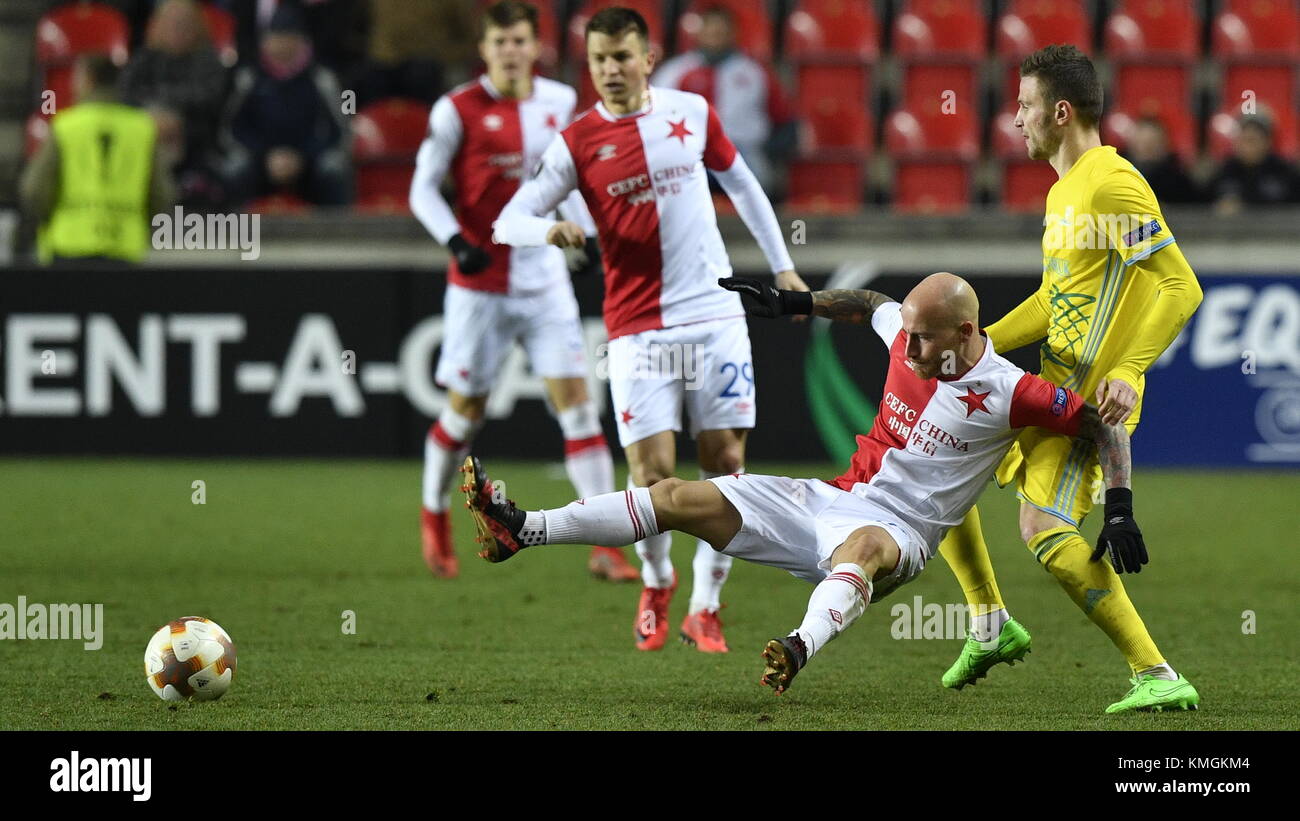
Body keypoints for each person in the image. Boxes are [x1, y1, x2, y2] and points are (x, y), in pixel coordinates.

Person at [460, 273, 1168, 699]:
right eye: (907, 337)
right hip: (829, 500)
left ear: (964, 332)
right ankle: (525, 528)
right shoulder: (906, 331)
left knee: (864, 543)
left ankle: (797, 645)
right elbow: (870, 302)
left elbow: (1103, 427)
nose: (907, 348)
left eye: (922, 341)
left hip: (903, 533)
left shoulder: (1013, 392)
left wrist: (1121, 504)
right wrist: (794, 303)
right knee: (679, 496)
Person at [493, 6, 808, 654]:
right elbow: (506, 220)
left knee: (725, 464)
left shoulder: (689, 112)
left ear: (649, 57)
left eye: (621, 57)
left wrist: (785, 267)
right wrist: (546, 227)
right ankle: (658, 579)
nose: (610, 70)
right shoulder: (577, 142)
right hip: (637, 328)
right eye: (599, 59)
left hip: (716, 314)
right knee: (652, 473)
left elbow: (744, 184)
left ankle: (707, 604)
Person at [935, 45, 1203, 714]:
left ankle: (1157, 671)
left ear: (1059, 111)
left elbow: (1180, 284)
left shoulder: (1112, 182)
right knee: (936, 456)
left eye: (1025, 106)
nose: (1016, 119)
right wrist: (982, 340)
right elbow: (1056, 301)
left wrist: (1129, 371)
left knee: (1042, 528)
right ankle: (988, 622)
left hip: (1085, 402)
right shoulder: (1063, 193)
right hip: (1045, 386)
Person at [408, 1, 635, 583]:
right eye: (499, 42)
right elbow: (422, 191)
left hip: (544, 284)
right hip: (479, 288)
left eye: (519, 41)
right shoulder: (456, 109)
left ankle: (604, 544)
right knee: (466, 412)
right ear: (484, 50)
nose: (510, 51)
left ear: (537, 47)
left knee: (579, 407)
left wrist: (583, 234)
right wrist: (456, 241)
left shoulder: (560, 104)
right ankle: (433, 516)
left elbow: (570, 181)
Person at [21, 55, 174, 265]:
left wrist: (49, 221)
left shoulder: (66, 125)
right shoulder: (143, 128)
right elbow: (162, 194)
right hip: (125, 247)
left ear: (88, 79)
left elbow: (34, 189)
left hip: (68, 244)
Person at [218, 4, 352, 206]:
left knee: (333, 168)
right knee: (234, 168)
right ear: (264, 42)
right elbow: (231, 128)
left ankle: (339, 235)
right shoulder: (247, 78)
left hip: (308, 160)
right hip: (261, 160)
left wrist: (302, 156)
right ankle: (233, 232)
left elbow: (342, 130)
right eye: (275, 37)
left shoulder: (323, 78)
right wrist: (266, 155)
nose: (282, 44)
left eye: (289, 37)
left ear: (302, 42)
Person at [652, 5, 796, 191]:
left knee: (759, 177)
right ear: (699, 33)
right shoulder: (674, 72)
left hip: (742, 152)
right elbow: (651, 118)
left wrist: (767, 151)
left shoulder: (755, 73)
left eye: (721, 31)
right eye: (711, 30)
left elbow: (785, 120)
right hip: (688, 152)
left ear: (733, 33)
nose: (715, 35)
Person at [118, 0, 229, 211]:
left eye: (184, 24)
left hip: (194, 138)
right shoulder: (144, 59)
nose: (177, 30)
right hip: (146, 131)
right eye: (171, 24)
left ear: (198, 27)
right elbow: (126, 95)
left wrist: (172, 116)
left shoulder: (208, 60)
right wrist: (153, 115)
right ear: (157, 26)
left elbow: (209, 98)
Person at [1207, 114, 1300, 214]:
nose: (1247, 147)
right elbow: (1200, 205)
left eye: (1252, 140)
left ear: (1267, 142)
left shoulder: (1284, 172)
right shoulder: (1225, 171)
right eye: (1243, 140)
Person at [1121, 116, 1199, 204]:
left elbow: (1200, 206)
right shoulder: (1118, 174)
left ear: (1164, 145)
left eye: (1152, 143)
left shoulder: (1177, 181)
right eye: (1142, 143)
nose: (1146, 148)